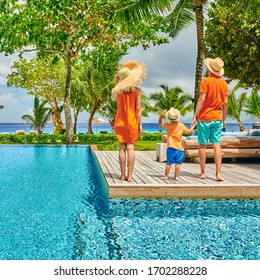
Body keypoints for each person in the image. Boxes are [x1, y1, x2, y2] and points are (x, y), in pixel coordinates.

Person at [191, 57, 228, 181]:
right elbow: (225, 102)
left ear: (209, 68)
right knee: (217, 144)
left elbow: (201, 99)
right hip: (218, 118)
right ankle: (218, 174)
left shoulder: (205, 81)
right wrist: (224, 119)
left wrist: (195, 115)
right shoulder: (224, 84)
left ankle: (202, 173)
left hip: (205, 118)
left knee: (202, 145)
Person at [112, 61, 146, 182]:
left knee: (122, 148)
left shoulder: (118, 92)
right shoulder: (136, 92)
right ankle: (130, 176)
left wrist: (117, 80)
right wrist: (140, 124)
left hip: (119, 123)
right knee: (130, 148)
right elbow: (138, 109)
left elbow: (116, 89)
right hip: (131, 123)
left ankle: (122, 175)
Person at [158, 107, 196, 181]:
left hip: (171, 147)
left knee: (169, 163)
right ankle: (176, 176)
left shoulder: (168, 125)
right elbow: (188, 132)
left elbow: (160, 123)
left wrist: (161, 116)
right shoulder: (181, 125)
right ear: (177, 118)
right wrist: (193, 126)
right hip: (180, 148)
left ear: (169, 118)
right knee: (178, 163)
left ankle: (166, 176)